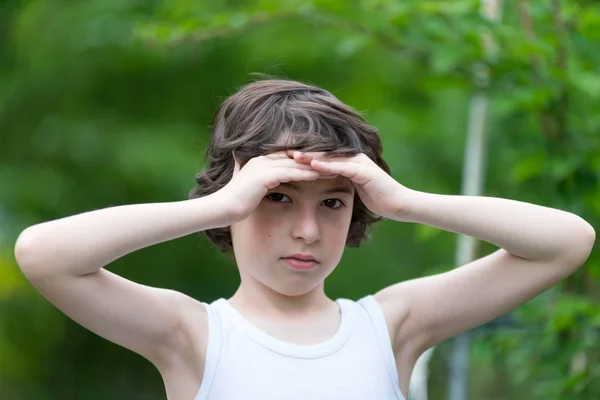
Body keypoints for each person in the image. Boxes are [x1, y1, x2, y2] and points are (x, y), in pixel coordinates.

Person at [14, 78, 595, 400]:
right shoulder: (191, 334)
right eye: (278, 197)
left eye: (334, 203)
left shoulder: (390, 326)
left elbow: (566, 242)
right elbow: (44, 256)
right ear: (238, 200)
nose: (307, 231)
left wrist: (402, 200)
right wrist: (220, 203)